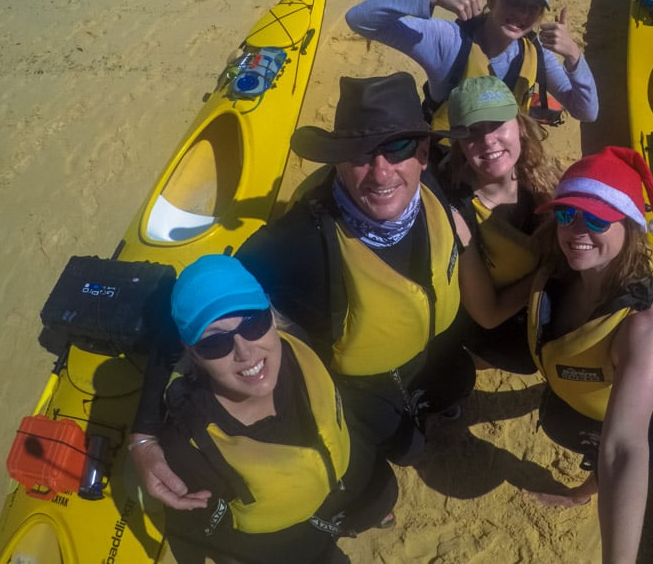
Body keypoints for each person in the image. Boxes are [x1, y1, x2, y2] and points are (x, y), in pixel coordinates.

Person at [131, 73, 475, 517]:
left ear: (424, 154)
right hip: (360, 380)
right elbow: (186, 310)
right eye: (359, 154)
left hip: (424, 346)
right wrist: (143, 433)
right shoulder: (297, 241)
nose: (382, 172)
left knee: (459, 379)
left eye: (399, 148)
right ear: (337, 163)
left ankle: (425, 408)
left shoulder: (433, 190)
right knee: (405, 453)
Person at [526, 147, 653, 564]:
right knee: (566, 424)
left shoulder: (645, 325)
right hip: (591, 388)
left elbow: (625, 448)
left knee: (603, 457)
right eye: (566, 215)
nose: (576, 231)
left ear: (629, 227)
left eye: (596, 219)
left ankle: (580, 494)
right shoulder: (563, 265)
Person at [156, 255, 380, 564]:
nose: (245, 352)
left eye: (254, 323)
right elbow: (194, 529)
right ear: (193, 353)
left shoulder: (297, 345)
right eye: (215, 343)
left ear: (272, 317)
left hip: (335, 495)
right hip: (281, 549)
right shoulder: (187, 446)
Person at [344, 0, 598, 132]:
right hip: (451, 164)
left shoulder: (534, 52)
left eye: (533, 8)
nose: (522, 13)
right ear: (492, 0)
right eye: (513, 1)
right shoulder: (450, 42)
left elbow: (586, 111)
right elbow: (360, 19)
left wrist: (574, 56)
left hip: (504, 159)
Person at [442, 75, 561, 373]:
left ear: (519, 125)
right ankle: (471, 361)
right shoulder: (458, 213)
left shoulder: (539, 172)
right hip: (494, 321)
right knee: (520, 358)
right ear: (458, 142)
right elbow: (488, 314)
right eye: (472, 131)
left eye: (497, 124)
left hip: (532, 295)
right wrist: (552, 270)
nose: (488, 140)